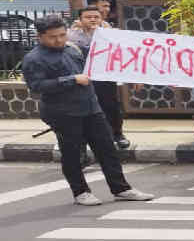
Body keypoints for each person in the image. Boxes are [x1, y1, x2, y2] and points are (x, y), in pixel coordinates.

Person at [21, 16, 154, 205]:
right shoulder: (34, 59)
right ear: (40, 37)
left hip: (91, 107)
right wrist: (72, 79)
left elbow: (100, 61)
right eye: (53, 37)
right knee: (73, 153)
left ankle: (121, 188)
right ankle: (80, 192)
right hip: (63, 112)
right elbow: (36, 86)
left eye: (62, 35)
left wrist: (130, 76)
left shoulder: (72, 48)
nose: (59, 40)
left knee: (108, 149)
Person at [72, 0, 127, 150]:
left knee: (111, 106)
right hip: (83, 79)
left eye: (96, 17)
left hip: (105, 77)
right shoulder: (72, 36)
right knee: (84, 109)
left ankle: (118, 135)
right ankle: (83, 142)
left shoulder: (110, 31)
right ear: (80, 19)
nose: (92, 20)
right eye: (88, 17)